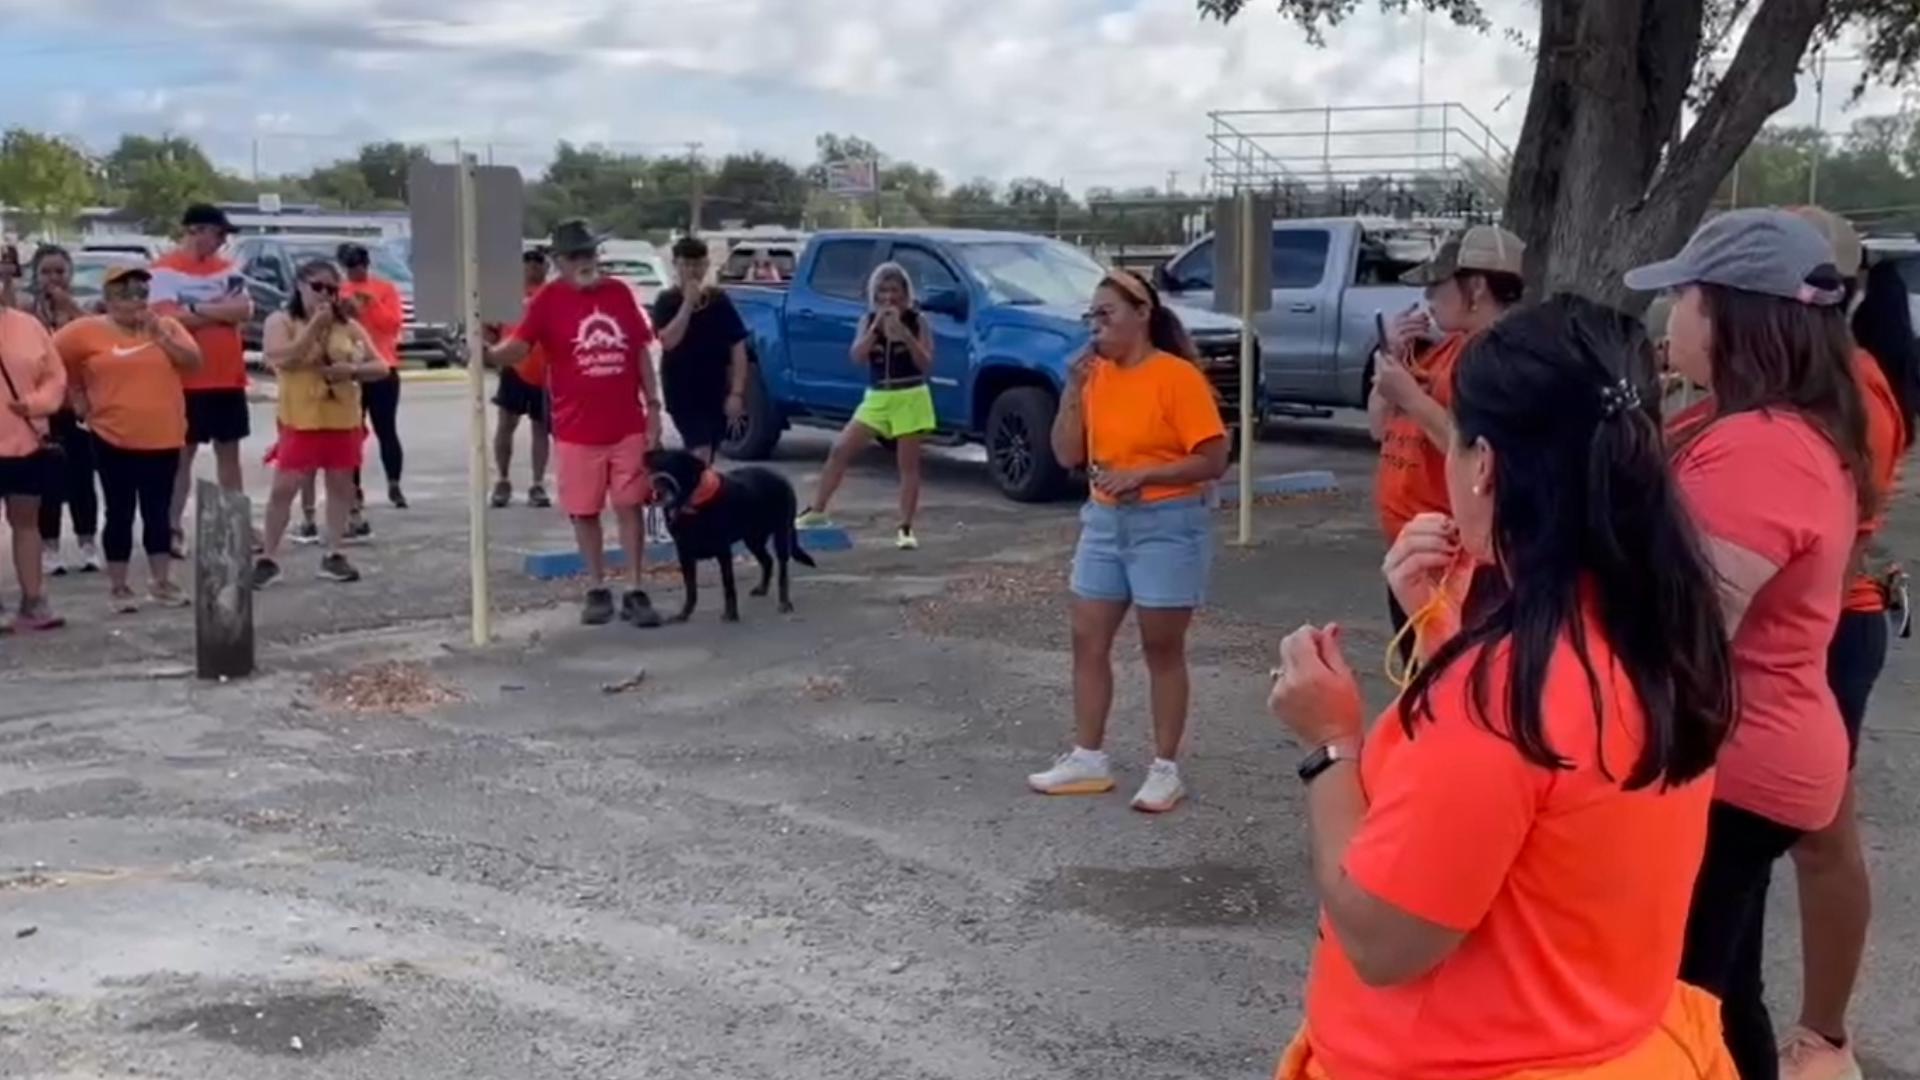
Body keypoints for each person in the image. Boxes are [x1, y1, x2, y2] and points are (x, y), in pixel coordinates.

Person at [1266, 295, 1738, 1079]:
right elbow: (1543, 811)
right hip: (1612, 1037)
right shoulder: (1659, 631)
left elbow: (1383, 941)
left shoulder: (1501, 699)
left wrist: (1329, 744)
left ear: (1483, 466)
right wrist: (1443, 636)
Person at [1627, 208, 1870, 1080]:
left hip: (1732, 763)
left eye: (1684, 295)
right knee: (1721, 992)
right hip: (1755, 748)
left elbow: (1681, 629)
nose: (1671, 318)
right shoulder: (1766, 429)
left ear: (1732, 311)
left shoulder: (1759, 449)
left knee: (1679, 1005)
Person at [1775, 210, 1917, 1080]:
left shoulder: (1851, 388)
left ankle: (1822, 1037)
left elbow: (1825, 532)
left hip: (1828, 627)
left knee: (1822, 837)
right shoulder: (1803, 378)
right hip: (1808, 626)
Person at [1026, 269, 1228, 813]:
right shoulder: (1095, 378)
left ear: (1142, 315)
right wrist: (1071, 390)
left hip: (1168, 523)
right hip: (1105, 521)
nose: (1096, 326)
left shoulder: (1175, 377)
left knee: (1161, 646)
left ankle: (1166, 768)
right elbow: (1068, 455)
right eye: (1090, 316)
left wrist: (1146, 476)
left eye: (1106, 314)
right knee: (1086, 638)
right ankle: (1088, 757)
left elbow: (1213, 459)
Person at [485, 219, 666, 628]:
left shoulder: (620, 293)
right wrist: (488, 353)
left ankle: (635, 589)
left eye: (589, 253)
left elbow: (639, 352)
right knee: (584, 510)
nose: (585, 261)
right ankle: (596, 586)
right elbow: (519, 347)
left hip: (627, 424)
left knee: (630, 504)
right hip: (576, 428)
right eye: (576, 256)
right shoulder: (546, 302)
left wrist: (654, 406)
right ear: (559, 262)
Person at [1370, 224, 1525, 638]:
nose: (1428, 298)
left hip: (1450, 555)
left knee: (1438, 669)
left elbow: (1478, 453)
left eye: (1438, 285)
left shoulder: (1502, 359)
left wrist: (1412, 397)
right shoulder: (1446, 346)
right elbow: (1377, 427)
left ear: (1475, 289)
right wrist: (1389, 360)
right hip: (1415, 550)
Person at [52, 265, 202, 612]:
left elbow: (194, 363)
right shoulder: (86, 331)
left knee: (158, 511)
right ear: (108, 298)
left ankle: (161, 581)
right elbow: (50, 359)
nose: (135, 301)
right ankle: (119, 587)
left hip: (164, 435)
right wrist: (76, 394)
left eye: (140, 293)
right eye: (125, 294)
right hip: (112, 434)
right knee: (119, 511)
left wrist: (161, 338)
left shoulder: (166, 326)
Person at [250, 260, 386, 588]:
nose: (325, 295)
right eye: (318, 287)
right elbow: (281, 357)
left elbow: (381, 365)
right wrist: (314, 327)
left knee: (341, 486)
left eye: (331, 289)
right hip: (301, 418)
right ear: (300, 285)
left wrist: (351, 371)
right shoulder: (281, 321)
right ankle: (269, 556)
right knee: (285, 489)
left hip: (341, 417)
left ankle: (334, 551)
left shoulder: (348, 326)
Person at [794, 262, 937, 550]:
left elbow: (926, 363)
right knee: (841, 449)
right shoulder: (867, 320)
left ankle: (905, 527)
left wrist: (905, 334)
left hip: (909, 394)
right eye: (883, 291)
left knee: (907, 465)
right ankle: (817, 510)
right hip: (878, 396)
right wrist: (876, 328)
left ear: (904, 293)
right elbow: (857, 357)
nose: (889, 297)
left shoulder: (917, 320)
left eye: (894, 291)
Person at [153, 203, 252, 557]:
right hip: (185, 379)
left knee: (230, 456)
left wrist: (195, 309)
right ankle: (172, 527)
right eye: (218, 233)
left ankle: (234, 524)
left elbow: (243, 309)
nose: (223, 241)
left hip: (227, 377)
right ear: (196, 231)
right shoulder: (164, 270)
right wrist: (214, 311)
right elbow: (167, 319)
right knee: (181, 458)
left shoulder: (228, 268)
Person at [25, 246, 101, 577]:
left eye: (60, 271)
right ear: (35, 275)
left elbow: (101, 339)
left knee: (82, 477)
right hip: (42, 408)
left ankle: (87, 543)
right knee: (47, 481)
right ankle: (50, 547)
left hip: (79, 406)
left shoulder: (85, 312)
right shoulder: (27, 313)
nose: (53, 278)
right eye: (46, 272)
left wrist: (70, 308)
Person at [0, 292, 69, 632]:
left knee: (26, 522)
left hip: (25, 441)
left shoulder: (28, 326)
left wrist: (36, 404)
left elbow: (54, 377)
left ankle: (34, 599)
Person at [652, 236, 750, 464]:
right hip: (681, 390)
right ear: (675, 265)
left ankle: (696, 496)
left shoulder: (719, 301)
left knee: (708, 451)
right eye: (686, 264)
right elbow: (668, 341)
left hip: (715, 388)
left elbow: (737, 345)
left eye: (697, 264)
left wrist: (737, 392)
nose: (692, 271)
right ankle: (696, 496)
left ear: (706, 265)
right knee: (700, 450)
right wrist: (687, 304)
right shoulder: (666, 301)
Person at [339, 242, 407, 514]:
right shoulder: (340, 291)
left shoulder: (384, 289)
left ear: (366, 265)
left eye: (359, 267)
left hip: (382, 366)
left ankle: (394, 483)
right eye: (350, 268)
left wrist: (372, 304)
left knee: (386, 428)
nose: (355, 273)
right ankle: (353, 488)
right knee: (351, 431)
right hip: (352, 368)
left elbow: (393, 325)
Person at [489, 247, 553, 508]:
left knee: (541, 429)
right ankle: (502, 479)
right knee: (506, 425)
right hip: (514, 367)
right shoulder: (507, 295)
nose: (533, 266)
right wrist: (492, 352)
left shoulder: (552, 295)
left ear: (546, 266)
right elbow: (490, 329)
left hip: (545, 371)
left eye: (538, 261)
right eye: (527, 261)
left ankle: (537, 484)